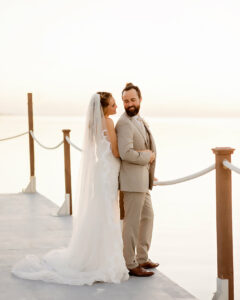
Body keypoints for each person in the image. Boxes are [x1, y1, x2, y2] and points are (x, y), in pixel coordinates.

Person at [11, 92, 129, 285]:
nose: (117, 107)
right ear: (105, 108)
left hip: (102, 171)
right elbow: (115, 151)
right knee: (107, 212)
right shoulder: (108, 122)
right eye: (114, 104)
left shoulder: (94, 124)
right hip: (108, 171)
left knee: (101, 211)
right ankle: (106, 259)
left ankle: (96, 255)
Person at [116, 83, 159, 277]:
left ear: (140, 100)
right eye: (126, 101)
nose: (129, 104)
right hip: (132, 181)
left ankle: (142, 257)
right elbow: (125, 153)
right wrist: (147, 157)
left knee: (148, 217)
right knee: (131, 223)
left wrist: (150, 172)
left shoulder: (139, 119)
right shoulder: (124, 123)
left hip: (143, 180)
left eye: (133, 100)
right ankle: (130, 263)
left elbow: (145, 145)